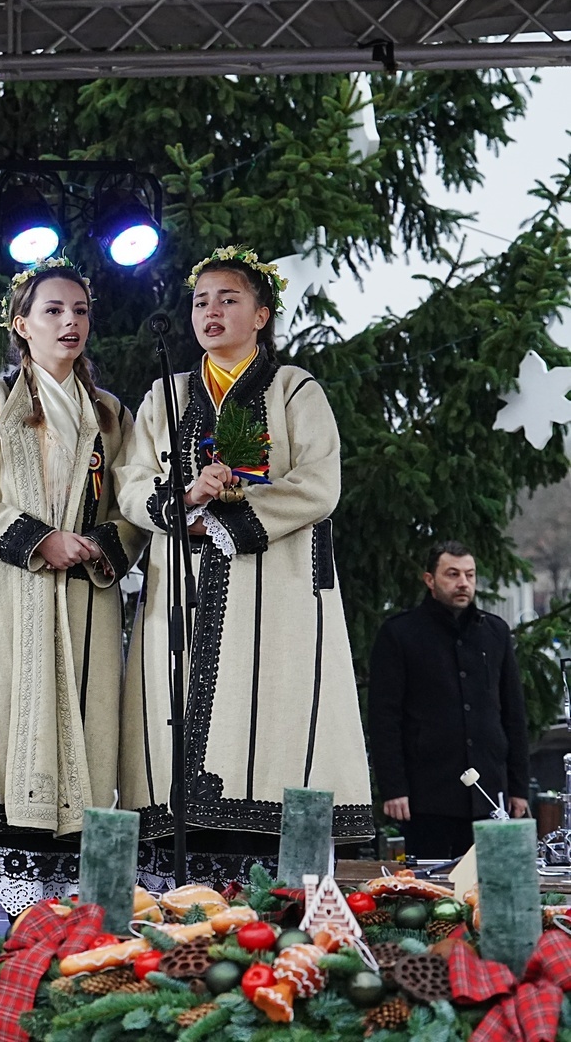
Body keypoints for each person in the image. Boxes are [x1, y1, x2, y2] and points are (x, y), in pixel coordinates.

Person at [115, 245, 373, 885]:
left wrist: (229, 518)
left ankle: (277, 895)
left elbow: (318, 485)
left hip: (277, 588)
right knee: (176, 727)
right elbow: (131, 482)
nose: (211, 312)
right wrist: (183, 501)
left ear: (261, 315)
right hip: (181, 585)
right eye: (201, 301)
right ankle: (182, 896)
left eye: (228, 299)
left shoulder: (294, 389)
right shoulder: (167, 395)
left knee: (273, 723)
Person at [0, 257, 145, 912]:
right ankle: (19, 924)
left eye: (80, 311)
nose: (70, 322)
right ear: (21, 325)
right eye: (53, 310)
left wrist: (101, 543)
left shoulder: (111, 414)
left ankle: (77, 921)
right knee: (4, 740)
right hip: (8, 601)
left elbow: (135, 507)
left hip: (87, 600)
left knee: (86, 741)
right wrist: (38, 538)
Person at [367, 541, 530, 859]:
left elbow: (513, 714)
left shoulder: (495, 632)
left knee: (489, 883)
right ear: (430, 580)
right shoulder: (400, 634)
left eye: (470, 574)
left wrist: (519, 788)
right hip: (428, 795)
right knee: (430, 886)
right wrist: (394, 788)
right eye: (452, 574)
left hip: (489, 794)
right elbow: (384, 718)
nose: (463, 583)